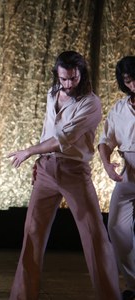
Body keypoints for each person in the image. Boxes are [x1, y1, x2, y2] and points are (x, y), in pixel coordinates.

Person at [7, 50, 120, 299]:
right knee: (32, 233)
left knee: (94, 235)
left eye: (73, 79)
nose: (68, 84)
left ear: (81, 74)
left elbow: (62, 139)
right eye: (64, 79)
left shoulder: (91, 103)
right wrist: (38, 159)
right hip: (47, 168)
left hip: (74, 172)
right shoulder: (52, 94)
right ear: (56, 75)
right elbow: (48, 129)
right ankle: (22, 296)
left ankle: (111, 296)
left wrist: (28, 151)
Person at [98, 55, 135, 300]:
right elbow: (105, 142)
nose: (134, 85)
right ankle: (133, 283)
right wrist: (108, 167)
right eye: (129, 81)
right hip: (129, 176)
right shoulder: (119, 109)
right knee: (117, 227)